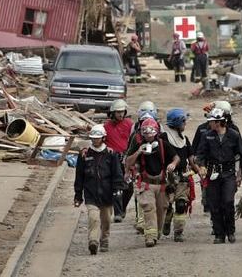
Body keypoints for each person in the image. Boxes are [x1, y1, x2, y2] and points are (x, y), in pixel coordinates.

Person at [196, 108, 242, 244]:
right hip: (212, 174)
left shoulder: (234, 135)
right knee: (214, 204)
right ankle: (219, 234)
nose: (210, 124)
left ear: (219, 122)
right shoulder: (207, 136)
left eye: (212, 121)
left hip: (229, 174)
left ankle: (230, 231)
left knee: (228, 202)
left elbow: (241, 155)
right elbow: (200, 154)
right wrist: (201, 166)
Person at [125, 118, 180, 247]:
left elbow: (176, 157)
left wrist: (173, 164)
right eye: (145, 132)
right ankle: (150, 236)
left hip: (161, 184)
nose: (148, 134)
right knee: (149, 208)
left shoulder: (163, 144)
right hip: (146, 183)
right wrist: (139, 152)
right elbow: (128, 162)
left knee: (161, 210)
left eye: (151, 131)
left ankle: (157, 233)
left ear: (156, 132)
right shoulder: (138, 145)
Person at [74, 125, 124, 255]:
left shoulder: (111, 154)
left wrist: (117, 189)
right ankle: (93, 241)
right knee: (93, 218)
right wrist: (78, 195)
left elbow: (117, 173)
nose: (95, 140)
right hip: (91, 193)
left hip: (107, 194)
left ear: (103, 138)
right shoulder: (85, 155)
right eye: (93, 138)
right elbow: (79, 176)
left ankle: (104, 240)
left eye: (98, 138)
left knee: (106, 220)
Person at [191, 101, 240, 214]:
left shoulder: (233, 131)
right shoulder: (203, 129)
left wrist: (239, 172)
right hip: (209, 169)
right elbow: (196, 151)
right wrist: (199, 167)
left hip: (228, 171)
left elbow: (238, 152)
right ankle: (215, 222)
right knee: (210, 199)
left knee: (227, 199)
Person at [160, 108, 198, 242]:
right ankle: (166, 221)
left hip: (183, 178)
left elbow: (191, 159)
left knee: (181, 204)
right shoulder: (163, 138)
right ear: (176, 122)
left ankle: (178, 232)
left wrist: (200, 170)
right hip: (167, 178)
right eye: (183, 121)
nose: (185, 124)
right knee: (168, 205)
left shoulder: (185, 139)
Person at [104, 99, 134, 223]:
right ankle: (117, 213)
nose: (121, 114)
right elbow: (101, 142)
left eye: (122, 112)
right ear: (112, 113)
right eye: (118, 112)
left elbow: (134, 140)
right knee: (117, 187)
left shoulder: (129, 124)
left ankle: (122, 208)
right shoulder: (106, 127)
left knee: (129, 188)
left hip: (126, 160)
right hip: (112, 160)